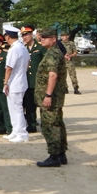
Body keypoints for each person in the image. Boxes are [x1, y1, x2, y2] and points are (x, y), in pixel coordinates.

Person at [35, 28, 68, 167]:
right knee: (57, 123)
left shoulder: (52, 54)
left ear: (53, 39)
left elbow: (53, 75)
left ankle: (54, 156)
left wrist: (48, 95)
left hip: (51, 96)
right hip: (55, 95)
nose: (42, 39)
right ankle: (61, 154)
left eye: (45, 37)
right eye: (41, 37)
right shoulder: (53, 52)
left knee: (50, 124)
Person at [3, 25, 30, 143]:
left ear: (8, 36)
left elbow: (9, 68)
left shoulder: (14, 49)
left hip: (14, 82)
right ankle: (15, 130)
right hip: (20, 80)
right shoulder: (22, 47)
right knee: (13, 108)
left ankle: (22, 133)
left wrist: (5, 83)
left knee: (17, 108)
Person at [21, 24, 47, 133]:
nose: (25, 37)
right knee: (29, 104)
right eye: (23, 35)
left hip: (39, 81)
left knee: (42, 104)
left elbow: (46, 64)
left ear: (32, 34)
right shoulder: (23, 48)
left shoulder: (40, 47)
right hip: (27, 81)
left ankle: (46, 125)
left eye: (26, 34)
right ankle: (31, 125)